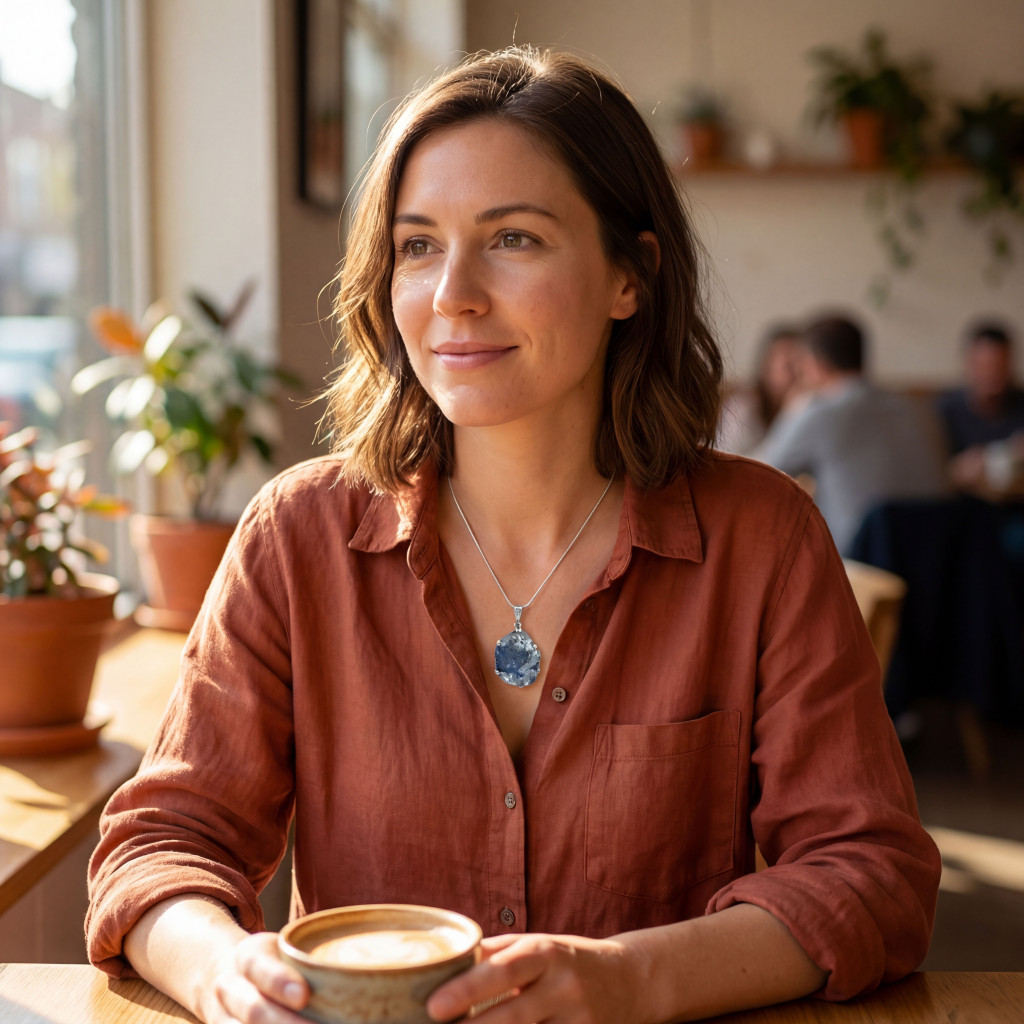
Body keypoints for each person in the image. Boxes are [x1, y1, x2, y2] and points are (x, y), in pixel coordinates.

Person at [87, 48, 940, 1024]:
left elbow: (870, 872)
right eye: (416, 245)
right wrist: (222, 969)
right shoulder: (297, 536)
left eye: (514, 239)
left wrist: (632, 977)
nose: (452, 291)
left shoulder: (762, 538)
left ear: (631, 274)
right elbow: (160, 846)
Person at [754, 314, 949, 555]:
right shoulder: (916, 409)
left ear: (814, 364)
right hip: (937, 564)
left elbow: (758, 474)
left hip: (859, 569)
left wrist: (794, 410)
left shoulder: (819, 412)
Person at [935, 320, 1024, 491]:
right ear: (969, 363)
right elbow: (943, 472)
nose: (992, 374)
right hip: (963, 507)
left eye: (999, 366)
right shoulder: (945, 410)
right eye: (985, 366)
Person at [716, 322, 807, 454]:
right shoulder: (744, 406)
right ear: (766, 368)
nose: (796, 376)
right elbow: (737, 460)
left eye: (802, 368)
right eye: (788, 366)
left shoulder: (808, 405)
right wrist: (790, 416)